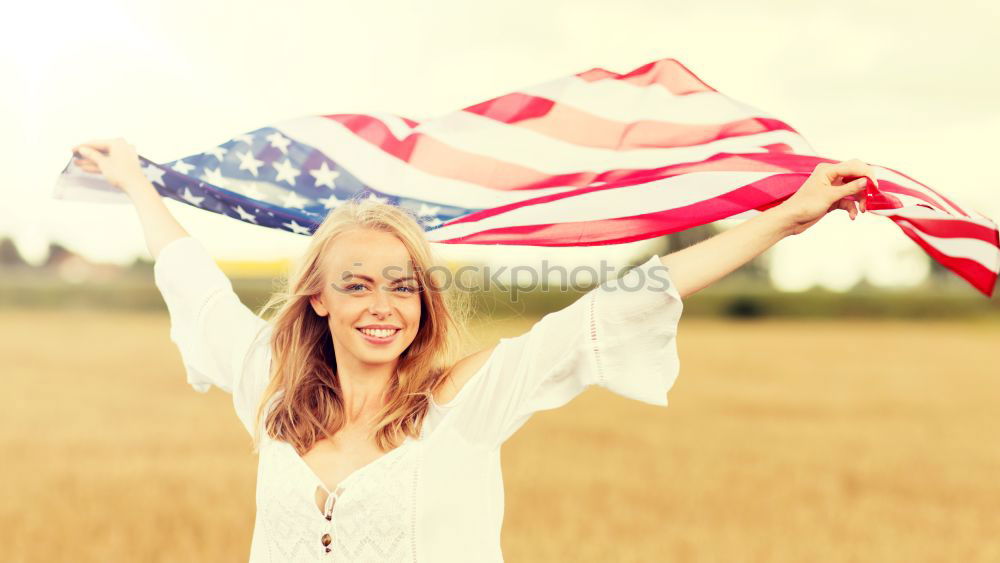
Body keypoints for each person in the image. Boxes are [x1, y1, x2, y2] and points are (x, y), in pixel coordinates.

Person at [71, 138, 873, 562]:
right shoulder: (271, 397)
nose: (383, 307)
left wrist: (781, 221)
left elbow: (616, 306)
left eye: (403, 284)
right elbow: (193, 283)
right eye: (357, 284)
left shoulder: (463, 403)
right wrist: (136, 181)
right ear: (317, 295)